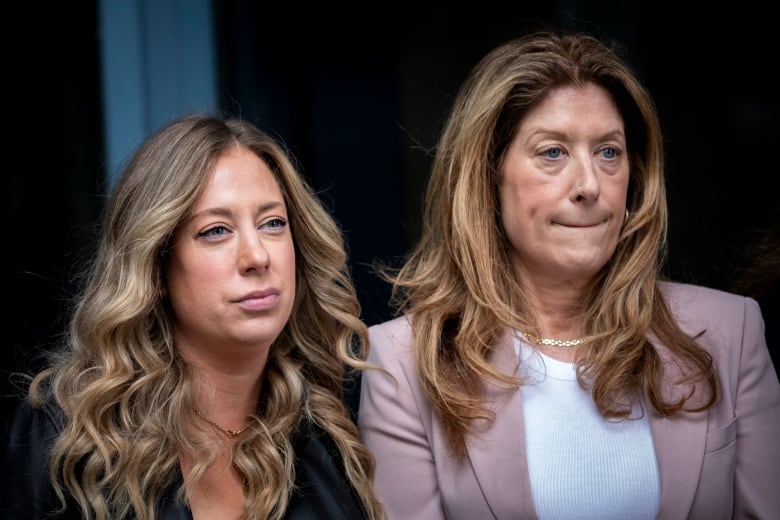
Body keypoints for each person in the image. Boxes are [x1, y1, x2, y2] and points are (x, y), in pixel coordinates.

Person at [358, 29, 780, 520]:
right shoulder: (405, 363)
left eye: (608, 152)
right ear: (488, 175)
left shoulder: (730, 331)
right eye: (552, 152)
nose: (588, 185)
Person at [1, 114, 385, 520]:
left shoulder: (323, 429)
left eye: (273, 223)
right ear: (155, 265)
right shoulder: (65, 437)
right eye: (216, 231)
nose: (257, 256)